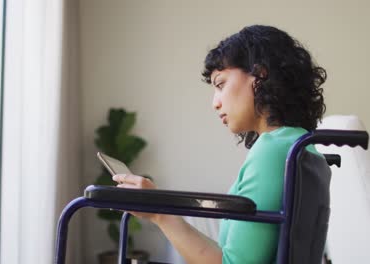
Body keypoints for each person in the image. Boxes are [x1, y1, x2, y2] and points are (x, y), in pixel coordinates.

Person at [112, 25, 327, 264]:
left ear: (260, 75)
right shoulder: (299, 144)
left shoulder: (273, 151)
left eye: (220, 84)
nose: (215, 103)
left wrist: (159, 214)